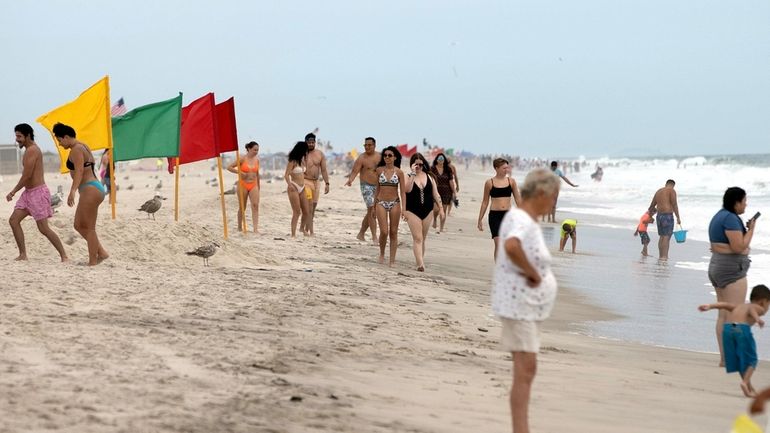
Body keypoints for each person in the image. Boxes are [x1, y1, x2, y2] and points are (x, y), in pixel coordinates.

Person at [491, 168, 560, 433]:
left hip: (524, 306)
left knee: (526, 370)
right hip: (519, 305)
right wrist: (533, 273)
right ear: (541, 193)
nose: (553, 203)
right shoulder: (521, 218)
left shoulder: (525, 218)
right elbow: (510, 246)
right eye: (553, 197)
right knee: (525, 371)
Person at [708, 187, 756, 367]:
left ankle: (725, 358)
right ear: (736, 202)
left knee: (724, 314)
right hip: (731, 269)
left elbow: (718, 245)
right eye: (744, 201)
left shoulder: (719, 216)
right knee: (735, 314)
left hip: (717, 266)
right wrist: (751, 230)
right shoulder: (730, 219)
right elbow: (738, 247)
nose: (746, 204)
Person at [6, 123, 68, 262]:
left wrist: (13, 192)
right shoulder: (28, 150)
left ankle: (64, 256)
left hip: (38, 194)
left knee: (44, 229)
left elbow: (27, 175)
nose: (17, 139)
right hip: (28, 193)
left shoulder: (33, 150)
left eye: (19, 136)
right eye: (16, 136)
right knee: (14, 220)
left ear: (28, 136)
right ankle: (23, 255)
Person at [698, 284, 770, 397]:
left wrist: (710, 306)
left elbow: (725, 305)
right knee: (752, 360)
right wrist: (757, 319)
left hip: (728, 328)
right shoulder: (758, 307)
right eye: (768, 305)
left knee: (741, 363)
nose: (767, 308)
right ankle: (745, 383)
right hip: (741, 329)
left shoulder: (740, 306)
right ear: (763, 301)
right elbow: (752, 309)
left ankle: (749, 388)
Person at [53, 123, 108, 265]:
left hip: (90, 189)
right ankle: (101, 252)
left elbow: (79, 171)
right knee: (79, 225)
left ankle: (93, 261)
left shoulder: (76, 149)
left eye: (59, 140)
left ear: (66, 137)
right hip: (94, 188)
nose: (59, 144)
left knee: (88, 227)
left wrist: (72, 191)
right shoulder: (83, 146)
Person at [403, 153, 444, 272]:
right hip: (412, 211)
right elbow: (406, 189)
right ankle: (420, 264)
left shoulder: (430, 177)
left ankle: (420, 260)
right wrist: (412, 174)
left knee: (423, 239)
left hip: (428, 211)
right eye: (416, 164)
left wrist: (441, 209)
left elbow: (436, 194)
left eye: (421, 164)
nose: (419, 166)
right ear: (412, 164)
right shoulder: (408, 176)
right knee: (417, 238)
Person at [477, 157, 521, 259]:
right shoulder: (489, 183)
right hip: (495, 216)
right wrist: (480, 219)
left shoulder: (511, 181)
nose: (506, 170)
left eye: (507, 168)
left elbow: (518, 199)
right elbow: (485, 202)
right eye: (504, 168)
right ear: (496, 168)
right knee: (498, 242)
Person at [373, 146, 406, 267]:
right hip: (380, 202)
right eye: (385, 155)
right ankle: (382, 253)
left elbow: (402, 192)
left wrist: (404, 209)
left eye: (390, 155)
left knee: (393, 232)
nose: (387, 157)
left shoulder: (399, 172)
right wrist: (373, 206)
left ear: (395, 157)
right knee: (384, 231)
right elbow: (377, 189)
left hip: (395, 203)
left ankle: (392, 260)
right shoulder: (379, 170)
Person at [344, 137, 380, 243]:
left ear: (374, 145)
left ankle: (361, 234)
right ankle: (374, 237)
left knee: (373, 211)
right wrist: (350, 180)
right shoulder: (361, 158)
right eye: (365, 145)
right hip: (366, 186)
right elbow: (355, 171)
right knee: (371, 209)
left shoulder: (380, 157)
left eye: (369, 145)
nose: (367, 147)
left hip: (378, 187)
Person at [227, 141, 261, 233]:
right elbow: (229, 167)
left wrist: (259, 186)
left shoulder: (257, 160)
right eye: (254, 150)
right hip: (243, 184)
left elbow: (257, 174)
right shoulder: (242, 159)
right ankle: (239, 227)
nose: (256, 152)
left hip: (254, 184)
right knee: (242, 207)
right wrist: (240, 172)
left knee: (255, 205)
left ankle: (255, 229)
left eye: (257, 150)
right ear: (249, 149)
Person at [301, 132, 329, 236]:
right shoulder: (302, 154)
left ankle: (306, 229)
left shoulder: (320, 154)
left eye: (313, 142)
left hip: (316, 182)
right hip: (305, 181)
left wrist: (327, 183)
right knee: (308, 207)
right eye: (309, 142)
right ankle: (310, 232)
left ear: (315, 143)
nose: (311, 144)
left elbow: (324, 170)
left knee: (313, 207)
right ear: (306, 143)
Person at [648, 179, 681, 260]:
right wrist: (678, 217)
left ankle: (661, 256)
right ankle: (664, 256)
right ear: (673, 185)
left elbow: (651, 206)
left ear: (666, 184)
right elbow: (674, 204)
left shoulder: (658, 191)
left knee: (662, 236)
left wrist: (650, 216)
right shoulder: (671, 190)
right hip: (667, 215)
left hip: (659, 216)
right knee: (667, 236)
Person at [284, 141, 311, 238]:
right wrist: (289, 184)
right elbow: (286, 175)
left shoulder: (302, 161)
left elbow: (304, 173)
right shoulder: (292, 161)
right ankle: (293, 234)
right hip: (294, 186)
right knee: (296, 212)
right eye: (305, 150)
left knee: (306, 212)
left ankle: (302, 228)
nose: (306, 152)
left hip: (302, 187)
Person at [430, 153, 456, 233]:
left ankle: (441, 228)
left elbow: (451, 181)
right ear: (436, 160)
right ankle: (434, 219)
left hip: (446, 192)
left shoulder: (448, 169)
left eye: (442, 159)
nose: (441, 160)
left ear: (444, 160)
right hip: (435, 192)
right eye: (439, 159)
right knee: (436, 209)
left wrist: (454, 192)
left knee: (443, 211)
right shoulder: (432, 168)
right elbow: (429, 179)